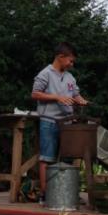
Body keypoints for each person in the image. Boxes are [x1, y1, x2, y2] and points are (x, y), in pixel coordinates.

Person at [31, 42, 88, 201]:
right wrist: (56, 97)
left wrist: (80, 100)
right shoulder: (45, 74)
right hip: (49, 120)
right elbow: (35, 94)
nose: (72, 64)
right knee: (46, 159)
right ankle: (45, 194)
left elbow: (75, 94)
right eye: (70, 60)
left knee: (68, 159)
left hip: (67, 123)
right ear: (60, 57)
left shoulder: (70, 77)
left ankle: (66, 192)